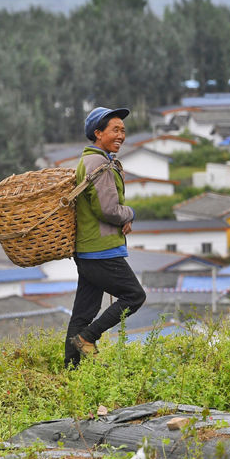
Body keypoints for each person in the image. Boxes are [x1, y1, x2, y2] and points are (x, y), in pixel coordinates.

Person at [65, 107, 146, 367]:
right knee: (134, 296)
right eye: (115, 129)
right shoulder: (99, 163)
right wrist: (129, 213)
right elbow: (109, 210)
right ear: (98, 133)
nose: (121, 135)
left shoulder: (91, 160)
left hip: (88, 249)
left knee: (84, 311)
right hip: (101, 250)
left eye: (123, 130)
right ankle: (88, 337)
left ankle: (71, 369)